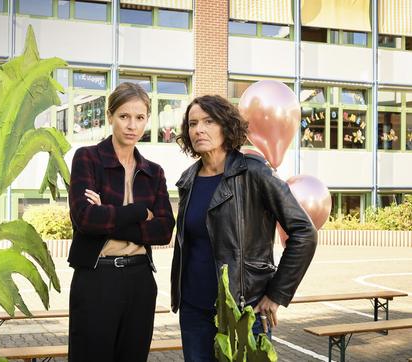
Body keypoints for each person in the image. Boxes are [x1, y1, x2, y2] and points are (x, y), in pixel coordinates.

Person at [170, 95, 317, 361]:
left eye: (208, 121)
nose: (198, 129)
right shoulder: (188, 180)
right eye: (192, 124)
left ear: (226, 126)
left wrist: (276, 294)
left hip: (244, 309)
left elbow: (304, 232)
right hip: (194, 311)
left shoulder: (255, 173)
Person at [67, 82, 176, 362]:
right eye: (124, 116)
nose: (132, 125)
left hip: (140, 280)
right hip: (96, 278)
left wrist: (109, 212)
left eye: (139, 118)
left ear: (147, 120)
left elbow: (164, 230)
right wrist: (140, 211)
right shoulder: (87, 158)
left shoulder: (154, 172)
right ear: (109, 117)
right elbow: (85, 218)